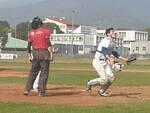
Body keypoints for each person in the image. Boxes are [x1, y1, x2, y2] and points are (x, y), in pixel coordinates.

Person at [23, 16, 53, 97]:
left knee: (33, 73)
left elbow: (29, 45)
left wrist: (29, 56)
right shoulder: (45, 31)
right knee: (44, 73)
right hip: (44, 54)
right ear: (41, 23)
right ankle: (41, 92)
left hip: (35, 53)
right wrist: (51, 54)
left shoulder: (31, 32)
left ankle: (27, 89)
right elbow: (48, 43)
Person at [85, 27, 117, 97]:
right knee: (104, 80)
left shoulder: (112, 42)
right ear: (108, 34)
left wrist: (125, 59)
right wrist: (109, 58)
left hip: (105, 62)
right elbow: (104, 50)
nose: (114, 32)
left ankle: (102, 91)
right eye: (112, 31)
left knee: (112, 78)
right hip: (98, 61)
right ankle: (89, 82)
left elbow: (114, 53)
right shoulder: (106, 40)